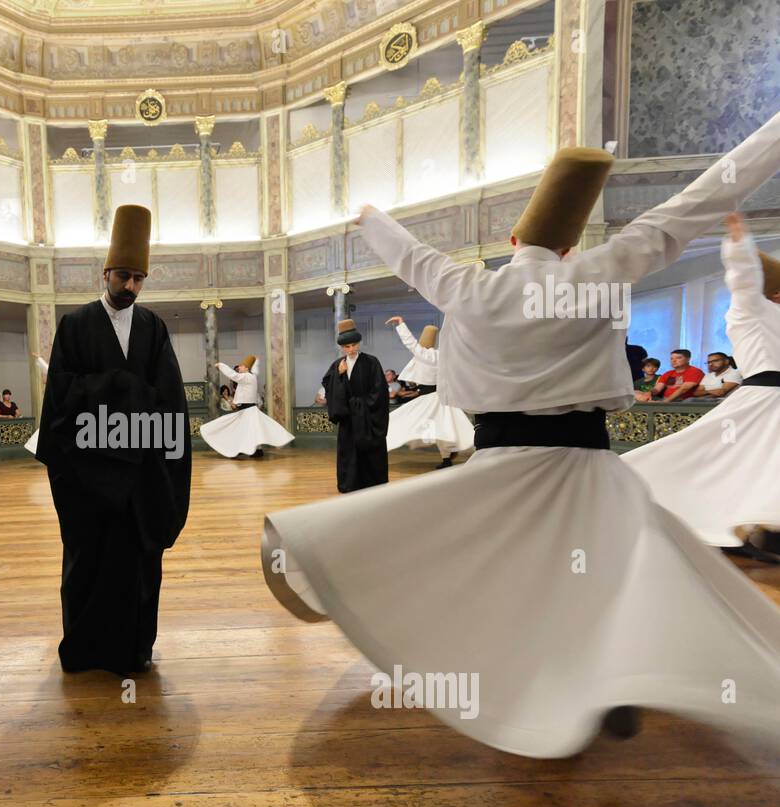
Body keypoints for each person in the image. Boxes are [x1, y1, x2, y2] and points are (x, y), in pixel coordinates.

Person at [261, 112, 780, 759]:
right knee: (619, 574)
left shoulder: (469, 286)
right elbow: (691, 205)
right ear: (568, 249)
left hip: (502, 467)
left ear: (512, 238)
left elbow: (410, 256)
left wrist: (368, 216)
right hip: (589, 469)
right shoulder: (599, 272)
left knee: (503, 577)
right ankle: (608, 676)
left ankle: (531, 681)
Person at [35, 204, 191, 675]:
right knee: (89, 562)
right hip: (88, 478)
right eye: (123, 275)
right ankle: (85, 651)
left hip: (140, 479)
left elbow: (169, 399)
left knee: (138, 566)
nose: (131, 286)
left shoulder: (153, 327)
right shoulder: (75, 325)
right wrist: (122, 389)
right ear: (105, 272)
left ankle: (134, 650)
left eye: (139, 278)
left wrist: (125, 399)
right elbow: (62, 396)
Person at [623, 212, 780, 554]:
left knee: (760, 467)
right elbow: (743, 280)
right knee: (727, 462)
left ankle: (761, 531)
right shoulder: (750, 310)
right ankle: (736, 525)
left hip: (770, 401)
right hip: (761, 399)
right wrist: (739, 243)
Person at [383, 317, 474, 469]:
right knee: (448, 427)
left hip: (430, 398)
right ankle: (448, 457)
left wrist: (400, 324)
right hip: (442, 398)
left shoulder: (423, 354)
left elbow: (409, 342)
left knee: (400, 420)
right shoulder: (442, 355)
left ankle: (380, 445)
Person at [320, 318, 389, 492]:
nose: (351, 349)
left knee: (370, 451)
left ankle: (373, 484)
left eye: (353, 345)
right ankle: (349, 484)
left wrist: (362, 405)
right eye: (347, 347)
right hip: (348, 418)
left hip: (367, 417)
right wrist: (339, 374)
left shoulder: (371, 362)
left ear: (359, 343)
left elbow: (379, 390)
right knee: (348, 452)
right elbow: (328, 384)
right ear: (342, 348)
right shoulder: (337, 365)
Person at [202, 355, 294, 458]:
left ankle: (245, 450)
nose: (239, 368)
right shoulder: (250, 377)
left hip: (247, 410)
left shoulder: (247, 377)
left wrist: (221, 365)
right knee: (250, 430)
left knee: (243, 429)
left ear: (246, 368)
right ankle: (254, 451)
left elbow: (233, 375)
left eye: (241, 366)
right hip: (247, 409)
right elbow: (248, 377)